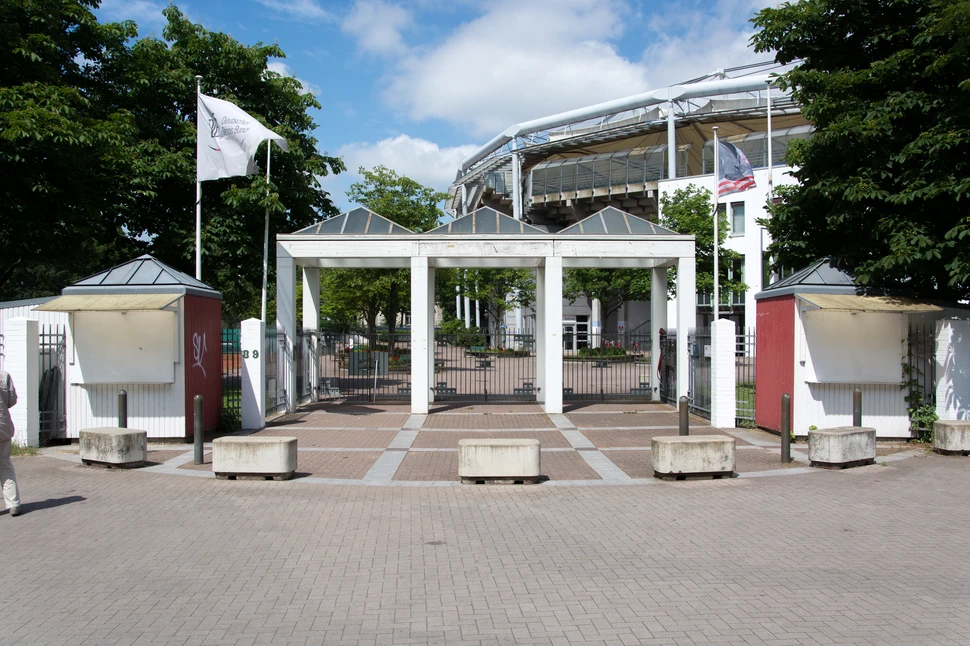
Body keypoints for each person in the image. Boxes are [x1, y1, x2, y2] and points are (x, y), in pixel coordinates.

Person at [0, 369, 21, 517]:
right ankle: (13, 504)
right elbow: (12, 400)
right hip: (3, 427)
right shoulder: (3, 375)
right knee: (5, 465)